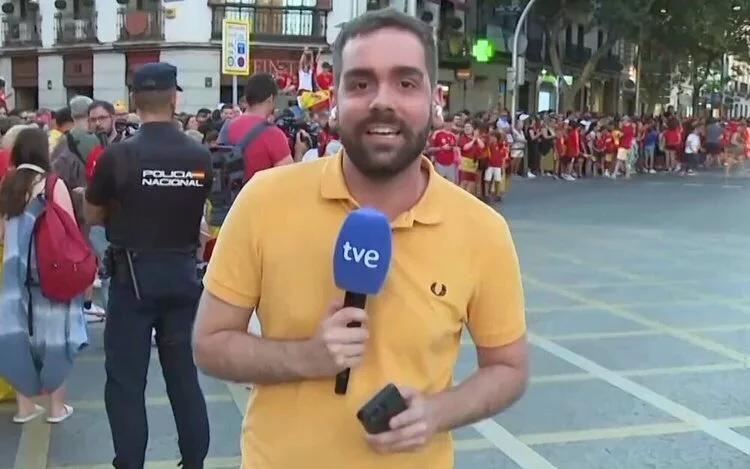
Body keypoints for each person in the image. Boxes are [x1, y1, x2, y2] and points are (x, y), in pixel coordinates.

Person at [193, 9, 527, 469]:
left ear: (436, 102)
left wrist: (438, 412)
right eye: (361, 83)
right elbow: (209, 343)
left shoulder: (482, 230)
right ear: (334, 101)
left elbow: (508, 368)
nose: (382, 101)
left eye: (406, 83)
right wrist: (306, 357)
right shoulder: (264, 200)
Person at [84, 62, 212, 469]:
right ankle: (194, 460)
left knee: (126, 383)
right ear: (174, 98)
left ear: (134, 101)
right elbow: (197, 212)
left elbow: (92, 214)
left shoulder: (118, 156)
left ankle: (130, 462)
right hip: (181, 278)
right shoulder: (199, 155)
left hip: (132, 280)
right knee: (184, 378)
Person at [0, 127, 87, 424]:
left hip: (14, 274)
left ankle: (25, 408)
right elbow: (69, 228)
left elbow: (2, 233)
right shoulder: (52, 184)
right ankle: (56, 408)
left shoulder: (9, 185)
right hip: (48, 273)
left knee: (19, 338)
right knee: (55, 339)